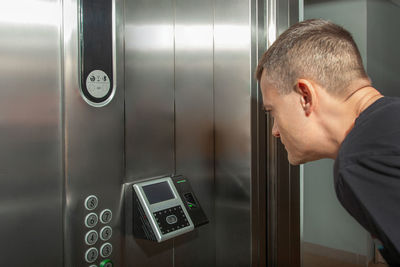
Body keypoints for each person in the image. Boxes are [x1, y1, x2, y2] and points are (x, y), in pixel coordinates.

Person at [255, 19, 400, 266]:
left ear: (305, 96)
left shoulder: (359, 160)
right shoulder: (390, 119)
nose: (275, 131)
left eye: (273, 112)